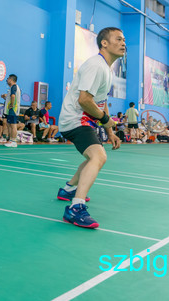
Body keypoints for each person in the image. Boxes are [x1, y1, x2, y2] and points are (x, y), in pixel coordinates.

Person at [57, 27, 124, 229]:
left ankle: (68, 189)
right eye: (118, 39)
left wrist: (110, 131)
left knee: (92, 158)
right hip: (75, 119)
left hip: (85, 120)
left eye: (124, 40)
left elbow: (100, 103)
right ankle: (75, 208)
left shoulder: (106, 69)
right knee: (98, 156)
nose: (123, 43)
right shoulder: (96, 65)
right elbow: (85, 100)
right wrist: (106, 120)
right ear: (104, 43)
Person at [1, 74, 21, 148]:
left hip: (13, 109)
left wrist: (12, 105)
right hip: (10, 110)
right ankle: (10, 140)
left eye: (8, 78)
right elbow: (11, 97)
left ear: (11, 79)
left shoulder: (14, 87)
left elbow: (13, 96)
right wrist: (5, 97)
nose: (7, 80)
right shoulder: (12, 88)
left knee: (13, 125)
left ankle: (13, 141)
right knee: (9, 124)